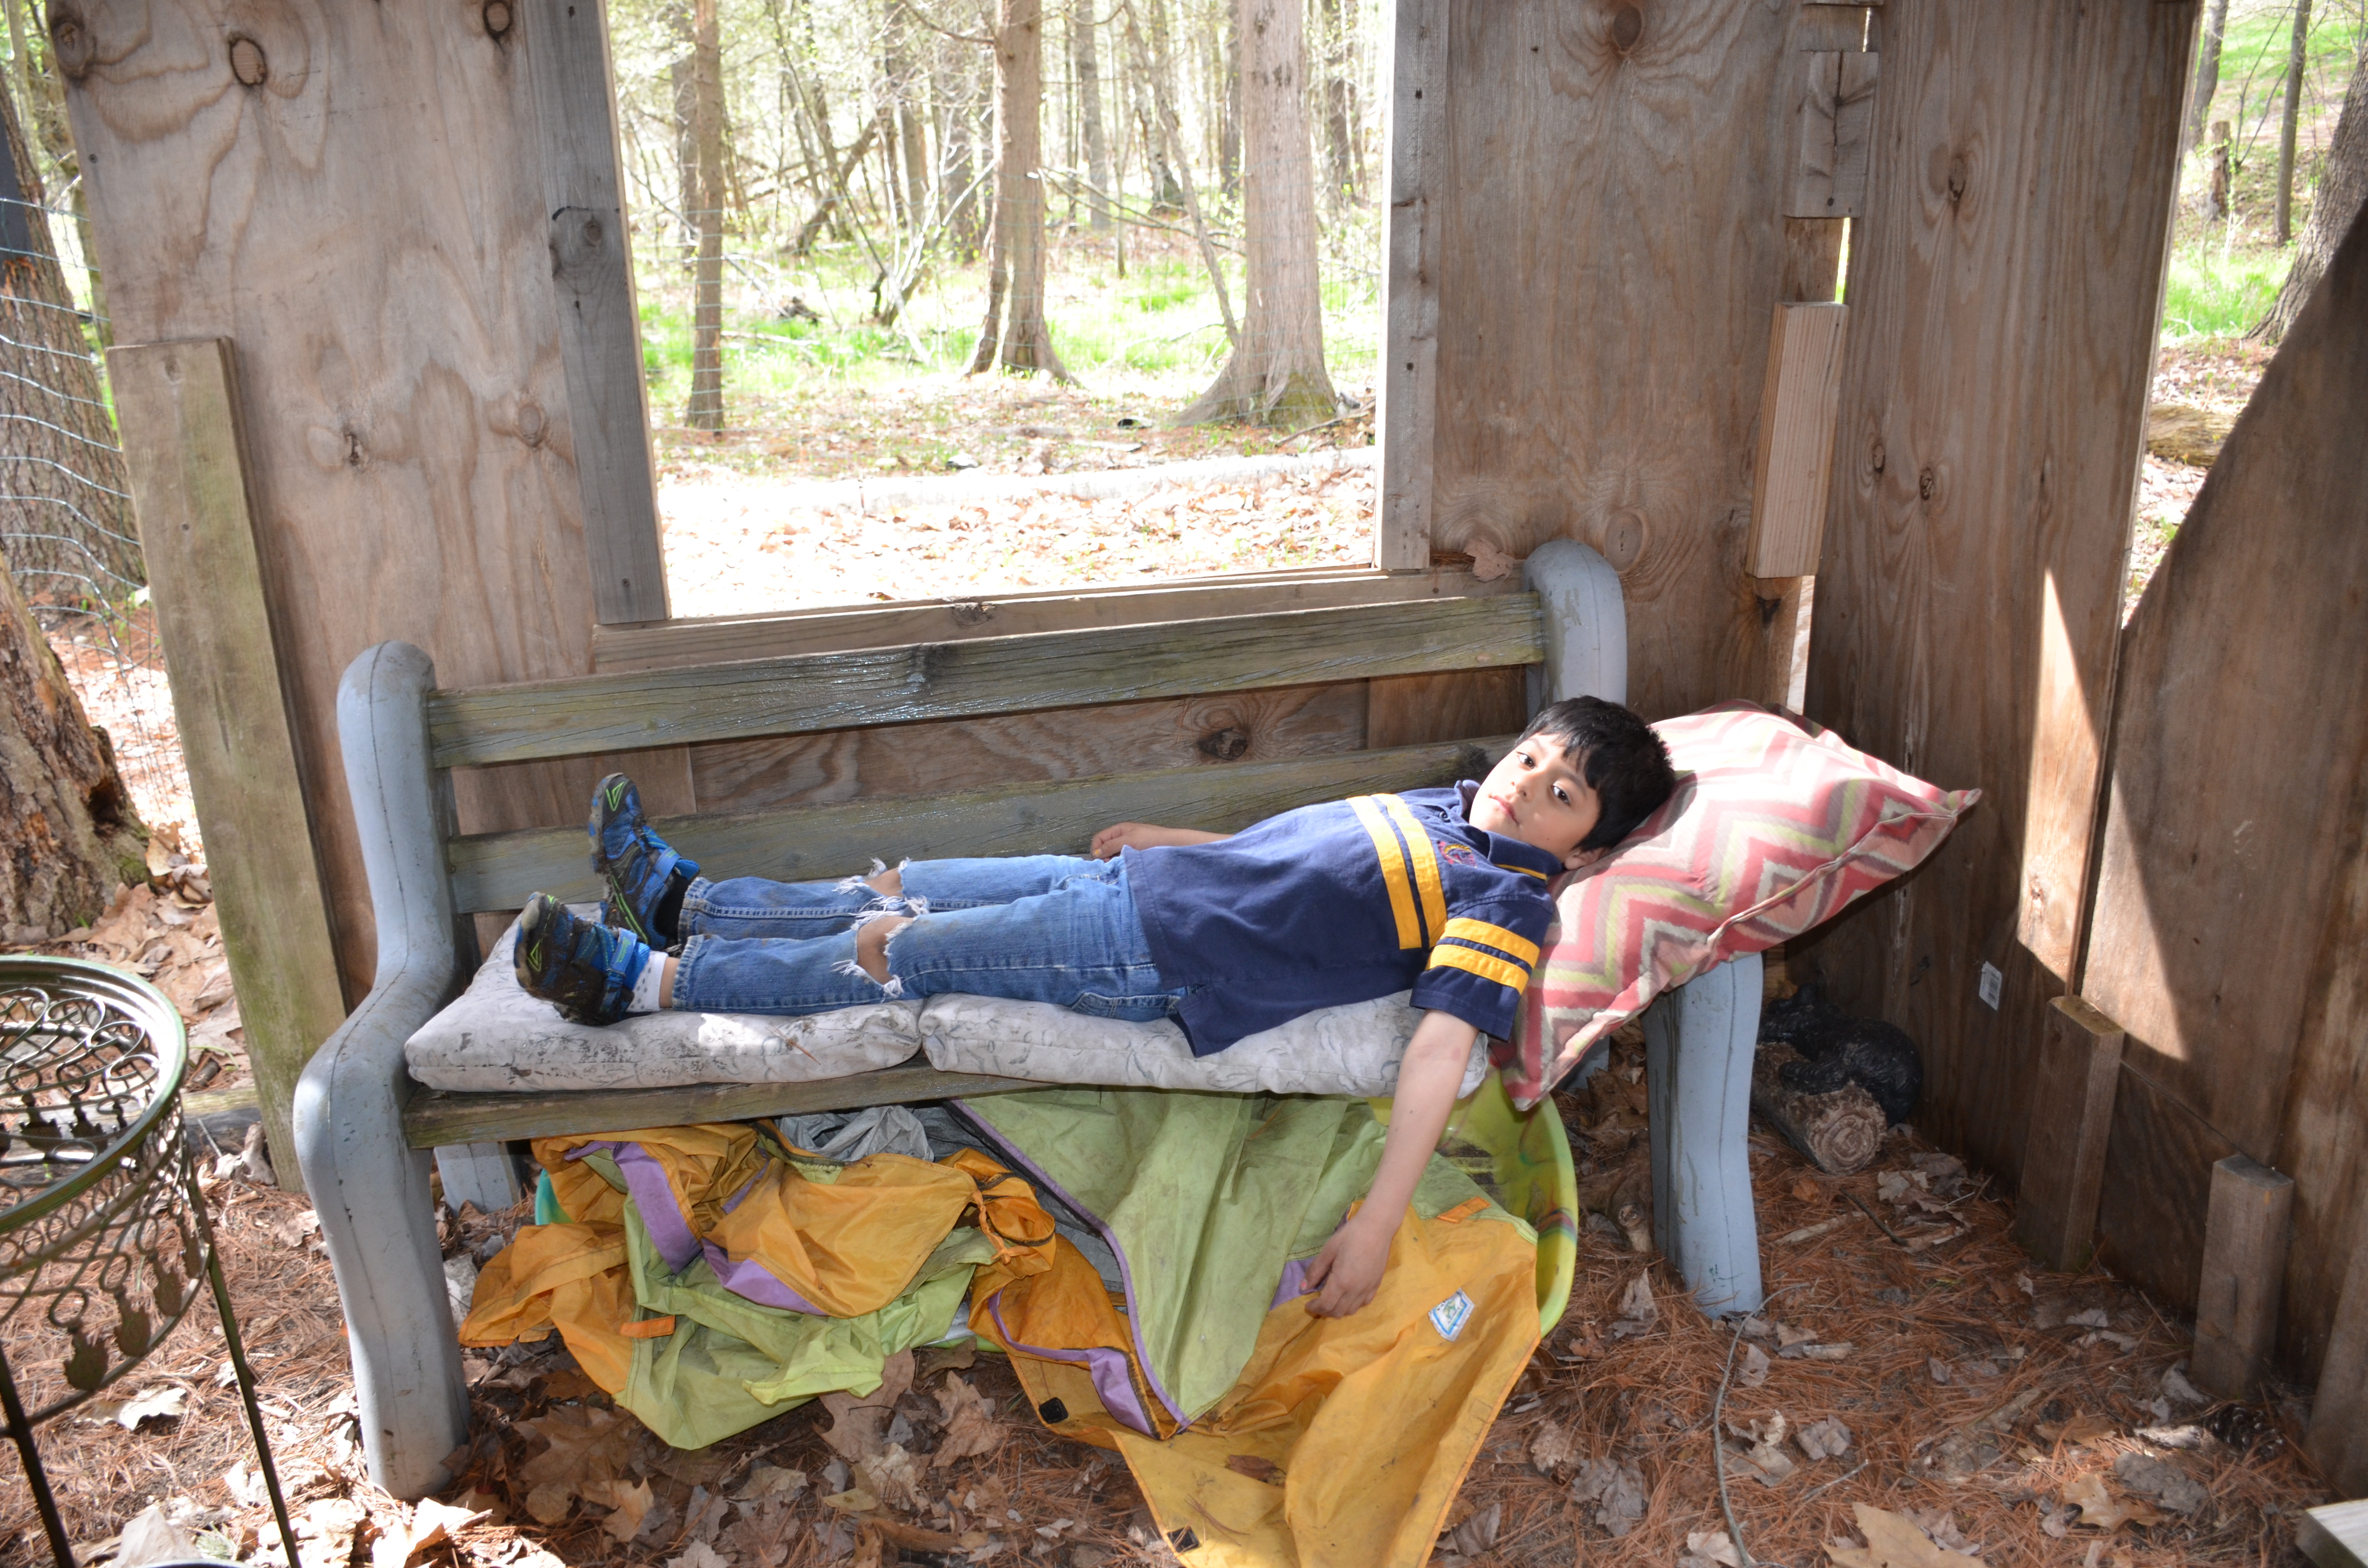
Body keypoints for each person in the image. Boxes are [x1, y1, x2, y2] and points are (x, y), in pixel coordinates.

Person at [513, 697, 1677, 1317]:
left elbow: (1439, 1048)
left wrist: (1375, 1223)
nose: (1528, 786)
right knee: (900, 887)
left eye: (1562, 794)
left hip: (1142, 955)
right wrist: (1174, 839)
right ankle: (687, 904)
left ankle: (635, 983)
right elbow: (1288, 860)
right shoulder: (1451, 809)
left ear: (1588, 851)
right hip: (1132, 887)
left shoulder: (1504, 900)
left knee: (896, 953)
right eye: (1534, 759)